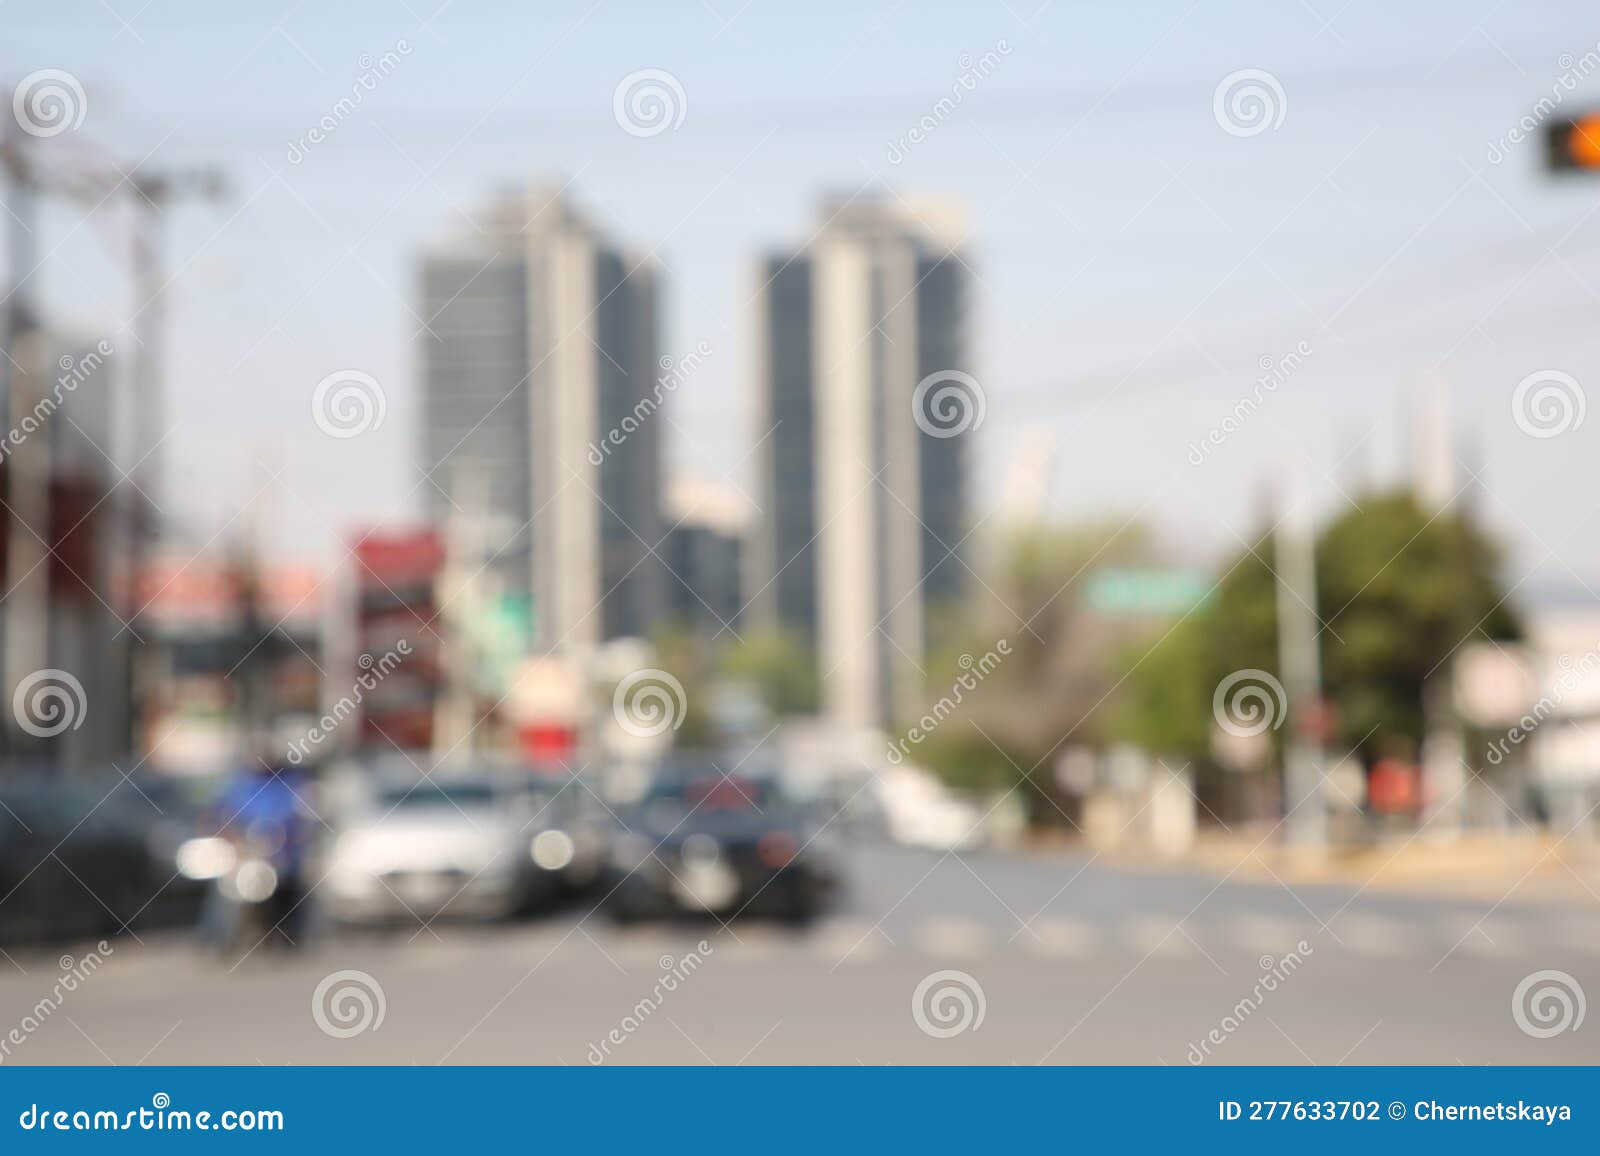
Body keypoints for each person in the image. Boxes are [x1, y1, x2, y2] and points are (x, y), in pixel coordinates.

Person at [200, 746, 318, 951]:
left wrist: (288, 839)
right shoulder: (241, 784)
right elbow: (217, 813)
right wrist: (228, 835)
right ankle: (218, 938)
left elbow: (301, 818)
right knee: (224, 895)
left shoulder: (288, 785)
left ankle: (285, 936)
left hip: (280, 856)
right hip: (244, 855)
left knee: (288, 894)